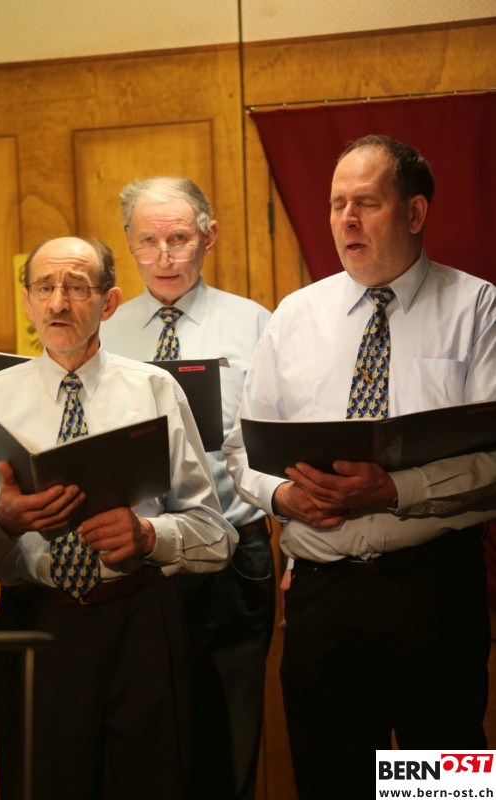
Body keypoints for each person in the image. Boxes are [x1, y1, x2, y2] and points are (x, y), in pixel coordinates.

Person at [223, 135, 496, 799]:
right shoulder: (296, 316)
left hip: (433, 591)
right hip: (322, 599)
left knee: (442, 784)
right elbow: (241, 450)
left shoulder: (477, 308)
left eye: (366, 203)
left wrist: (395, 490)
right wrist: (283, 497)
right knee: (333, 781)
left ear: (414, 213)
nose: (346, 218)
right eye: (336, 203)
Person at [0, 236, 238, 800]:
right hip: (35, 625)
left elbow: (216, 534)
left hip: (139, 622)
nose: (58, 303)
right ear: (27, 301)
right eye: (44, 288)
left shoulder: (154, 388)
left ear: (108, 303)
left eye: (76, 288)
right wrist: (3, 524)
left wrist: (149, 535)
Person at [100, 177, 275, 800]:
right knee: (147, 737)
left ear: (209, 236)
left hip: (233, 553)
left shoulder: (256, 324)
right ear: (128, 244)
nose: (164, 256)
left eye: (178, 238)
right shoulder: (105, 330)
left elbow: (277, 442)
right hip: (138, 558)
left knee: (229, 732)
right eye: (147, 242)